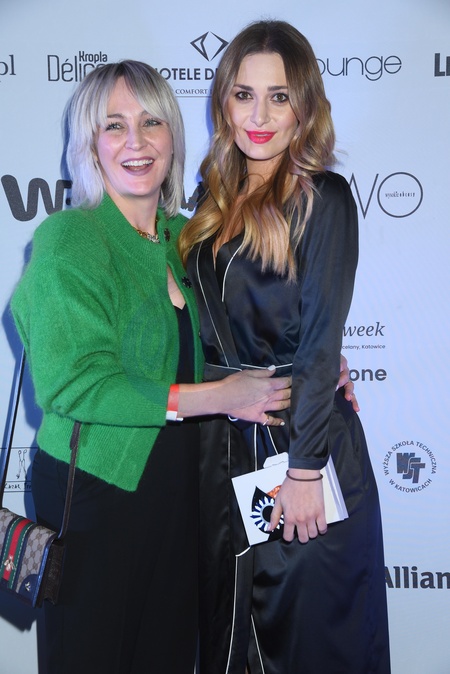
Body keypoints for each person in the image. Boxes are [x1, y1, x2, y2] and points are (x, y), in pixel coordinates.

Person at [9, 60, 293, 674]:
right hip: (97, 492)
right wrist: (221, 397)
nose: (135, 141)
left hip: (185, 494)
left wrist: (319, 370)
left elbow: (237, 347)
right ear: (90, 145)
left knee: (169, 656)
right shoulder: (70, 239)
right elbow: (77, 384)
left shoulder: (187, 239)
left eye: (151, 122)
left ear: (172, 136)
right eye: (114, 125)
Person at [179, 20, 391, 674]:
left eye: (279, 97)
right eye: (244, 94)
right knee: (234, 642)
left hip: (300, 452)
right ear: (223, 100)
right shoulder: (211, 200)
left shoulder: (323, 198)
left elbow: (323, 339)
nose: (260, 116)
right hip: (223, 451)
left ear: (305, 105)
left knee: (306, 642)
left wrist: (303, 473)